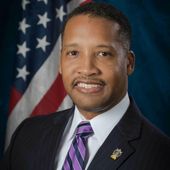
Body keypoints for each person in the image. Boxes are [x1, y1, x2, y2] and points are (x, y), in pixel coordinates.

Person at [1, 2, 170, 170]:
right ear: (60, 62)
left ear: (129, 63)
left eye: (103, 54)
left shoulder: (161, 155)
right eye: (73, 53)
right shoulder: (26, 135)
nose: (87, 69)